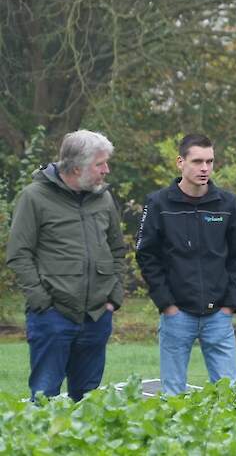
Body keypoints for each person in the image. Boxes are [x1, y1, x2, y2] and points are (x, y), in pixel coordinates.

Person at [6, 130, 125, 401]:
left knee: (88, 402)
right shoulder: (34, 197)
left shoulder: (104, 198)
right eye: (100, 164)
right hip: (52, 317)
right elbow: (19, 254)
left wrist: (113, 297)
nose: (106, 170)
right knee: (44, 399)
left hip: (97, 316)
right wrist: (41, 301)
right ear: (76, 167)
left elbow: (117, 250)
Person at [135, 134, 236, 395]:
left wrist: (230, 305)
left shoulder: (228, 203)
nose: (205, 168)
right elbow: (147, 256)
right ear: (180, 162)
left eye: (210, 161)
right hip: (177, 315)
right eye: (197, 161)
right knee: (172, 396)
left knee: (229, 393)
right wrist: (166, 304)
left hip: (218, 316)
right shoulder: (158, 203)